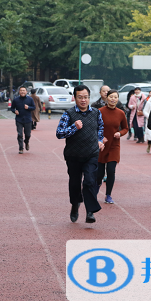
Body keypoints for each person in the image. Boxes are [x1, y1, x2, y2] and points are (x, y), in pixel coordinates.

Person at [56, 85, 104, 223]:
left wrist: (100, 140)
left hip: (91, 154)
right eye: (80, 97)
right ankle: (75, 205)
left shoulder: (96, 113)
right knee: (75, 184)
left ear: (89, 98)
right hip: (74, 155)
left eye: (86, 97)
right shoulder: (68, 114)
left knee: (89, 181)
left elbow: (100, 127)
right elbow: (59, 133)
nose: (83, 100)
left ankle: (90, 212)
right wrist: (73, 127)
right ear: (75, 98)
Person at [97, 90, 129, 204]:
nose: (113, 99)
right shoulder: (99, 111)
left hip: (114, 145)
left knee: (111, 170)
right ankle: (95, 191)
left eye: (115, 97)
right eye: (111, 97)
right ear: (107, 98)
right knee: (99, 173)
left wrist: (120, 133)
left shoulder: (120, 113)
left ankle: (108, 195)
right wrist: (100, 138)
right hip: (102, 145)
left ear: (118, 99)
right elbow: (94, 127)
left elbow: (126, 128)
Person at [11, 87, 35, 154]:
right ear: (19, 92)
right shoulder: (16, 100)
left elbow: (34, 107)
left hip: (28, 119)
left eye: (23, 90)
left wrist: (28, 107)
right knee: (20, 134)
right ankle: (21, 148)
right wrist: (14, 111)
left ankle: (26, 142)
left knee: (28, 135)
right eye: (21, 90)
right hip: (19, 119)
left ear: (26, 91)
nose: (22, 92)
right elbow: (12, 108)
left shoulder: (30, 99)